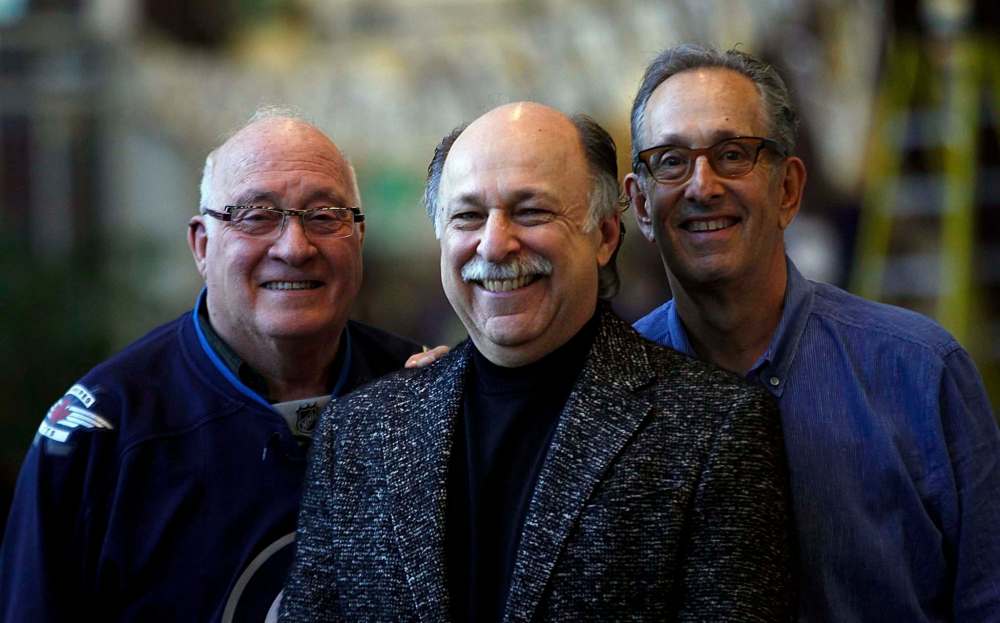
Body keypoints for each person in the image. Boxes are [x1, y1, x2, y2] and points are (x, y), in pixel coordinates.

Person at [280, 102, 792, 621]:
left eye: (531, 211)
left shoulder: (714, 429)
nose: (495, 244)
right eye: (468, 216)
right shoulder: (356, 435)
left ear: (605, 236)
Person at [0, 109, 427, 621]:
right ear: (202, 245)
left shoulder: (420, 397)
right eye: (256, 215)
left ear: (357, 237)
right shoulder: (102, 433)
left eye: (324, 215)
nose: (295, 247)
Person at [624, 43, 1000, 622]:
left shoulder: (921, 373)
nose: (702, 185)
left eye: (733, 155)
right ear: (641, 205)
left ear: (788, 190)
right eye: (671, 160)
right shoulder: (609, 395)